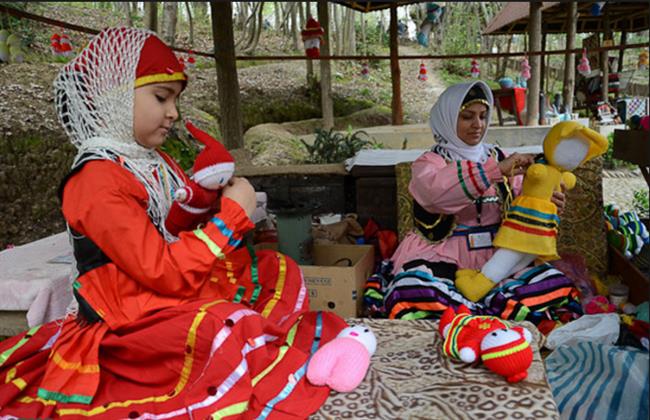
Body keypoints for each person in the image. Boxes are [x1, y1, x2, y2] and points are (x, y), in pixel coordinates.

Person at [0, 27, 347, 418]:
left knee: (273, 268)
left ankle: (271, 349)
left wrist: (205, 201)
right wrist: (232, 215)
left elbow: (176, 231)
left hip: (163, 292)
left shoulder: (150, 161)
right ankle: (273, 354)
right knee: (221, 326)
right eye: (161, 97)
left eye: (175, 100)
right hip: (127, 318)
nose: (174, 113)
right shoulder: (94, 180)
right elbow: (160, 270)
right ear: (111, 97)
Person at [368, 81, 582, 323]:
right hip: (441, 255)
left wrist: (546, 203)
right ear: (447, 119)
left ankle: (472, 318)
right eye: (467, 117)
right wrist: (494, 171)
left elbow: (524, 202)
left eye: (483, 116)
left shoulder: (500, 157)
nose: (477, 125)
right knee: (409, 290)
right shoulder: (430, 163)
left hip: (496, 254)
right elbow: (436, 195)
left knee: (555, 286)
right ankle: (479, 320)